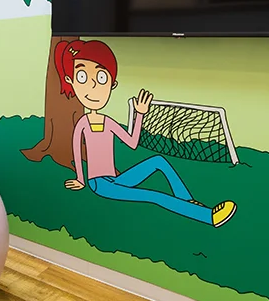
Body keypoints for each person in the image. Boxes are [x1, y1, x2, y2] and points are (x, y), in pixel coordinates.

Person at [55, 39, 237, 227]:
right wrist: (80, 179)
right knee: (154, 196)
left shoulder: (108, 122)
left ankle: (188, 200)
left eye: (101, 78)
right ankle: (208, 216)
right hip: (99, 184)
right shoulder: (83, 123)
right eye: (82, 77)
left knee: (158, 161)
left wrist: (140, 114)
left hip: (115, 179)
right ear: (71, 81)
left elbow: (132, 142)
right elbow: (76, 149)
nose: (93, 86)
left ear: (112, 84)